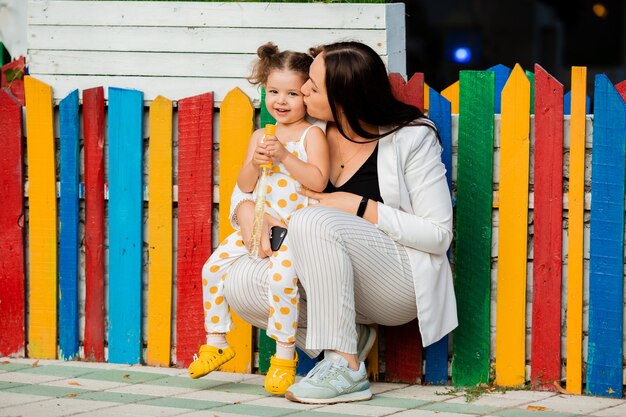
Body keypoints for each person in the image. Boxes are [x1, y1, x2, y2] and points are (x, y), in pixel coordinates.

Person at [224, 40, 457, 404]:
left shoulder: (411, 137)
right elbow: (248, 187)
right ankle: (350, 335)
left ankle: (345, 368)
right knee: (239, 283)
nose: (301, 91)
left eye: (312, 87)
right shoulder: (307, 130)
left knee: (313, 219)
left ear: (342, 97)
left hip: (397, 279)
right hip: (327, 283)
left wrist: (358, 206)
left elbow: (439, 235)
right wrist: (246, 212)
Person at [188, 42, 329, 396]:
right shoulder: (260, 135)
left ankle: (284, 359)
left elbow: (318, 180)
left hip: (297, 229)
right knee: (212, 269)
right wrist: (256, 161)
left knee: (281, 281)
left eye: (292, 93)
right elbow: (244, 185)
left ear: (307, 95)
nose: (281, 101)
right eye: (273, 91)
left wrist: (284, 156)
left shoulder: (313, 135)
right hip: (257, 223)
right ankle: (217, 341)